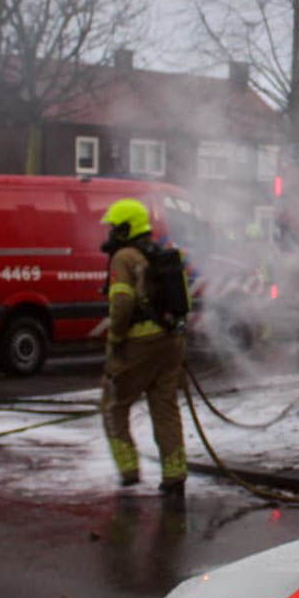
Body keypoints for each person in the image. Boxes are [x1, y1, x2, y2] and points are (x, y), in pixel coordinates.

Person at [100, 198, 189, 494]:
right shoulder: (162, 253)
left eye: (115, 226)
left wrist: (115, 338)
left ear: (127, 228)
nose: (110, 232)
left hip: (138, 344)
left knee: (113, 405)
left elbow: (122, 302)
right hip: (171, 341)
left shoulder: (124, 257)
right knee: (165, 407)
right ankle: (174, 473)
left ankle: (128, 472)